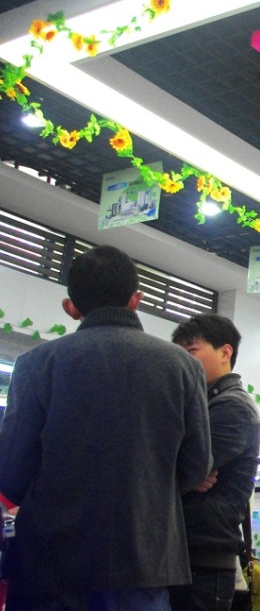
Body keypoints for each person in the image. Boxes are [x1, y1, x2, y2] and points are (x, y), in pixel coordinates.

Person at [0, 245, 212, 610]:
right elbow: (195, 466)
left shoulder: (36, 365)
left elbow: (11, 471)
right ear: (136, 299)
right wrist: (146, 488)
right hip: (143, 563)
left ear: (71, 307)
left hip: (49, 566)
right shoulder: (182, 367)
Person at [170, 314, 260, 611]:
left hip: (204, 559)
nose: (183, 360)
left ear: (225, 352)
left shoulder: (232, 405)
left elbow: (180, 463)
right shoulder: (203, 404)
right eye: (179, 352)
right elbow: (179, 466)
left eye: (191, 351)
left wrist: (183, 470)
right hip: (187, 553)